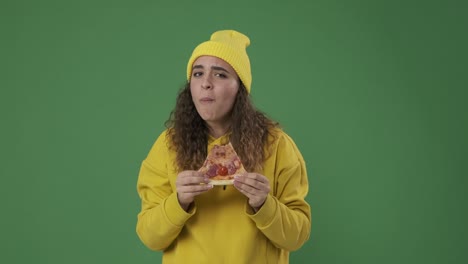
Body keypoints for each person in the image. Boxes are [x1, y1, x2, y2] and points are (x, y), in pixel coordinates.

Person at [136, 29, 311, 264]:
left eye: (220, 75)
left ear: (240, 87)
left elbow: (296, 237)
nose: (206, 83)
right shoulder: (169, 145)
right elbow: (150, 237)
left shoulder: (276, 144)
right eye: (198, 74)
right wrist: (178, 201)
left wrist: (264, 204)